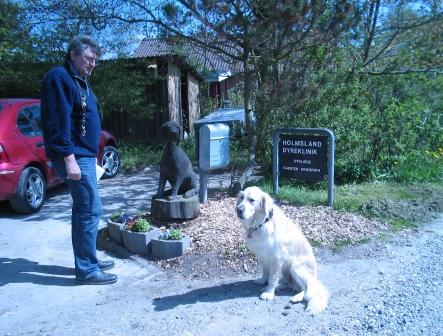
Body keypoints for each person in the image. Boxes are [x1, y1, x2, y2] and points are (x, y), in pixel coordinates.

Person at [41, 35, 117, 285]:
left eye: (95, 60)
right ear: (73, 54)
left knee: (85, 209)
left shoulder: (79, 80)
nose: (93, 63)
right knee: (89, 209)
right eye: (88, 58)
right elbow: (57, 120)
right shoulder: (59, 77)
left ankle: (88, 258)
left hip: (83, 154)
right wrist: (69, 157)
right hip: (74, 155)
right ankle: (86, 269)